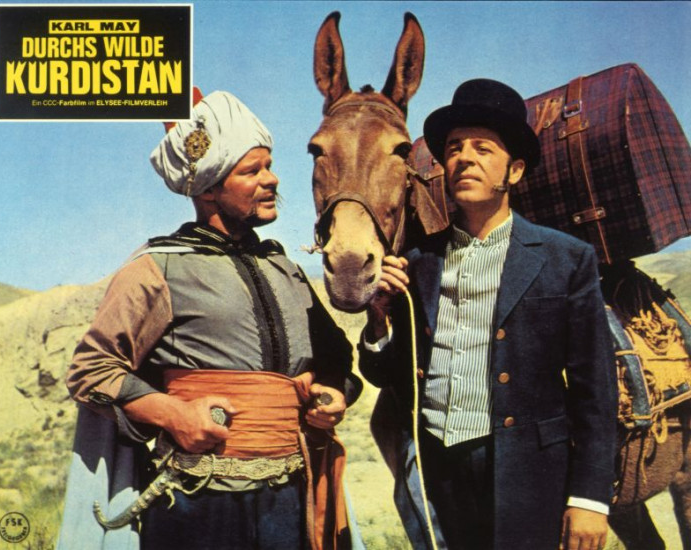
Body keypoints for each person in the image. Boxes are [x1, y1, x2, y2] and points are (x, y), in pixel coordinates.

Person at [58, 90, 359, 550]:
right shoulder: (159, 267)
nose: (272, 179)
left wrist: (335, 392)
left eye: (269, 165)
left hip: (289, 501)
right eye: (252, 171)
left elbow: (336, 356)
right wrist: (173, 414)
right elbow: (91, 370)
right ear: (209, 189)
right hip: (196, 502)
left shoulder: (287, 270)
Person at [359, 79, 618, 550]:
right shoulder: (418, 262)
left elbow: (595, 392)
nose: (464, 158)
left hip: (528, 474)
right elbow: (386, 376)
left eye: (483, 148)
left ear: (514, 171)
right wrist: (379, 321)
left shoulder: (566, 259)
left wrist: (590, 498)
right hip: (438, 471)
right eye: (454, 148)